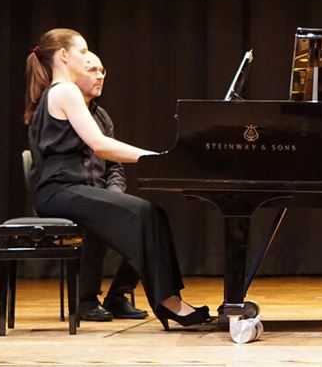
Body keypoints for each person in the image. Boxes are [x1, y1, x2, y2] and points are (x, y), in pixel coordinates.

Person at [25, 28, 208, 330]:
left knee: (152, 213)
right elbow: (100, 146)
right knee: (145, 214)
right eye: (83, 53)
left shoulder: (58, 93)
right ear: (63, 56)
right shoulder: (65, 91)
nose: (87, 59)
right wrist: (156, 158)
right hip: (59, 190)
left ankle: (164, 299)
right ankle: (169, 303)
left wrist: (154, 160)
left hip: (66, 190)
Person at [71, 52, 148, 321]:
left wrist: (114, 195)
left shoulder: (101, 115)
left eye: (102, 70)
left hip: (101, 195)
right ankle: (86, 300)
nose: (100, 75)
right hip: (72, 196)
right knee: (95, 222)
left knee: (146, 220)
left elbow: (114, 165)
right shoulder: (62, 113)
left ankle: (118, 295)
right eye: (92, 69)